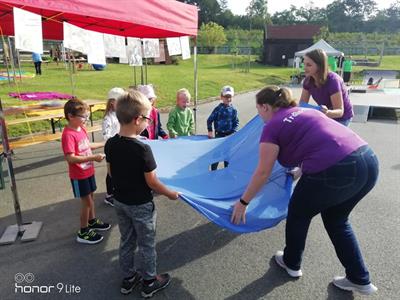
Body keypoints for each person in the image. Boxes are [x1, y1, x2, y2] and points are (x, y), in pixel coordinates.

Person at [231, 86, 379, 296]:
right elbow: (319, 141)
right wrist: (301, 171)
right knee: (337, 220)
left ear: (265, 107)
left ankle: (291, 263)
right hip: (368, 160)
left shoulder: (272, 125)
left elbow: (263, 172)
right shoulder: (305, 111)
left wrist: (243, 202)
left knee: (299, 213)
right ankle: (359, 278)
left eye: (258, 109)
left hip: (337, 169)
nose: (259, 115)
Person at [104, 90, 179, 297]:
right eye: (148, 118)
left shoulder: (110, 143)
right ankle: (149, 281)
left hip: (120, 202)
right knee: (146, 244)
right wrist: (170, 193)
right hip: (141, 205)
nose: (149, 122)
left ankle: (128, 278)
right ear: (138, 120)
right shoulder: (143, 149)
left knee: (127, 240)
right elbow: (152, 182)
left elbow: (110, 172)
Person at [61, 98, 111, 245]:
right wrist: (93, 157)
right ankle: (83, 231)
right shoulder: (68, 134)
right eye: (83, 117)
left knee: (91, 199)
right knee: (87, 203)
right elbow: (70, 158)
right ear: (71, 116)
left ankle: (92, 221)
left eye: (87, 117)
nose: (86, 120)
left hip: (88, 171)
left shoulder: (80, 129)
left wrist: (104, 143)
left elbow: (86, 144)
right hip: (79, 175)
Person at [300, 49, 353, 126]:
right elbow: (302, 104)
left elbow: (339, 111)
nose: (304, 68)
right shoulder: (308, 81)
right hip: (326, 115)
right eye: (304, 64)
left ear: (320, 66)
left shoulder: (333, 81)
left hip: (342, 118)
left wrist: (326, 112)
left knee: (330, 137)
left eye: (309, 65)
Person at [102, 87, 125, 206]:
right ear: (112, 102)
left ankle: (116, 191)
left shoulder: (120, 114)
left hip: (121, 146)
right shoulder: (108, 118)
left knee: (118, 171)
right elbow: (106, 136)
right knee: (110, 172)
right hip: (112, 148)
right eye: (119, 102)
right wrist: (115, 143)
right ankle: (109, 195)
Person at [207, 85, 239, 170]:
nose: (228, 99)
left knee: (227, 155)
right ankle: (213, 171)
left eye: (230, 97)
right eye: (226, 97)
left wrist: (234, 131)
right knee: (216, 154)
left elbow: (236, 122)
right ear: (221, 97)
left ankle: (226, 171)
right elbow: (209, 120)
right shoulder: (218, 109)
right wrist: (210, 131)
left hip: (229, 136)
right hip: (219, 135)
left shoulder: (234, 110)